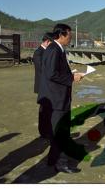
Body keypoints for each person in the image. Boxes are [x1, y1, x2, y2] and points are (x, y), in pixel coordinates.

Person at [37, 23, 84, 173]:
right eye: (69, 35)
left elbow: (54, 72)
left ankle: (53, 160)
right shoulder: (54, 50)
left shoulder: (57, 49)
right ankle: (61, 164)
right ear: (62, 35)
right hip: (56, 99)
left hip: (57, 97)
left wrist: (71, 74)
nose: (71, 38)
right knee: (61, 133)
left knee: (58, 132)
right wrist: (72, 77)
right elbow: (51, 74)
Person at [33, 32, 54, 139]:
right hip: (42, 86)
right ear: (47, 42)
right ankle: (43, 132)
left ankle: (47, 130)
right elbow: (43, 69)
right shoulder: (38, 53)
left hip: (47, 85)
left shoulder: (45, 52)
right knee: (44, 110)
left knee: (48, 109)